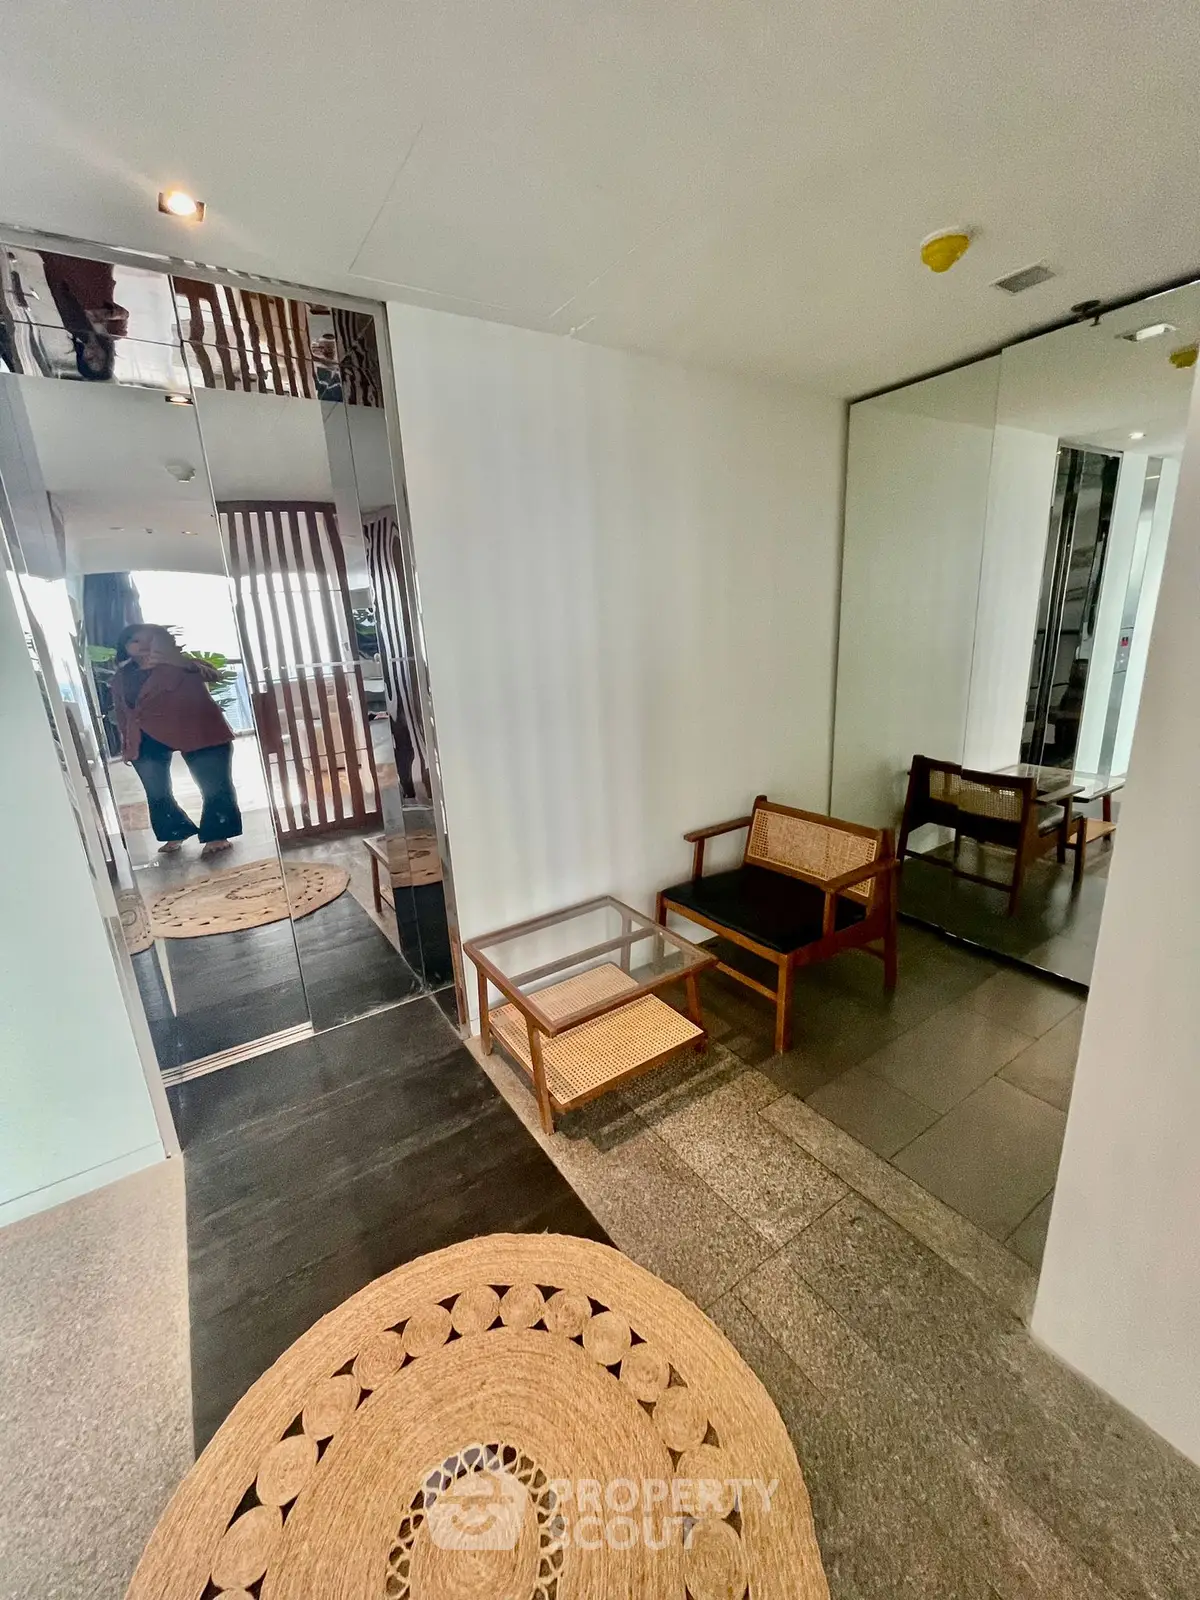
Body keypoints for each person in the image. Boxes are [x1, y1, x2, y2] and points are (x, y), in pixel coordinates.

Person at [111, 625, 242, 857]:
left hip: (196, 727)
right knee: (156, 790)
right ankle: (174, 830)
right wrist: (128, 742)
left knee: (213, 784)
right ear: (125, 647)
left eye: (148, 640)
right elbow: (123, 712)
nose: (141, 645)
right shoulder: (122, 676)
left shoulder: (179, 662)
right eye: (134, 641)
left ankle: (217, 833)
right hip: (145, 735)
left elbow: (213, 674)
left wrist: (177, 662)